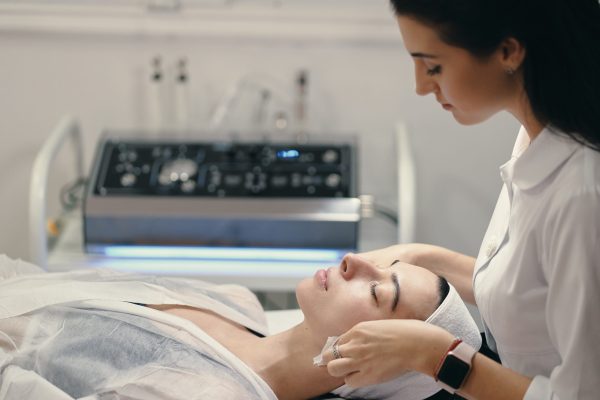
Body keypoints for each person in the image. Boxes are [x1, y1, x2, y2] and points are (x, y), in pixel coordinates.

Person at [321, 1, 600, 399]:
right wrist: (421, 256)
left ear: (508, 51)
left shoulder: (584, 194)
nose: (420, 86)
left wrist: (432, 355)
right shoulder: (538, 141)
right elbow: (532, 292)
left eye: (433, 66)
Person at [0, 253, 480, 400]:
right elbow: (40, 284)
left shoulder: (213, 393)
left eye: (380, 292)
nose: (355, 261)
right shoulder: (236, 302)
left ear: (374, 360)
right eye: (384, 263)